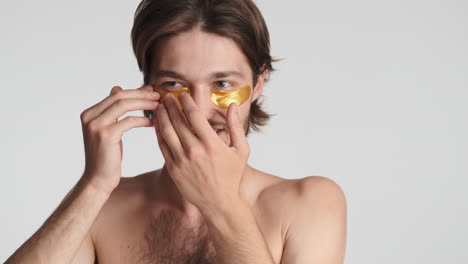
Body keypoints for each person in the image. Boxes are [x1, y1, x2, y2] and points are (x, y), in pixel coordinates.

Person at [5, 0, 347, 263]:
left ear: (258, 83)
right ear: (147, 89)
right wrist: (94, 185)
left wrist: (221, 203)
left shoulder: (310, 203)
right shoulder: (106, 207)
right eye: (174, 84)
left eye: (222, 83)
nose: (196, 108)